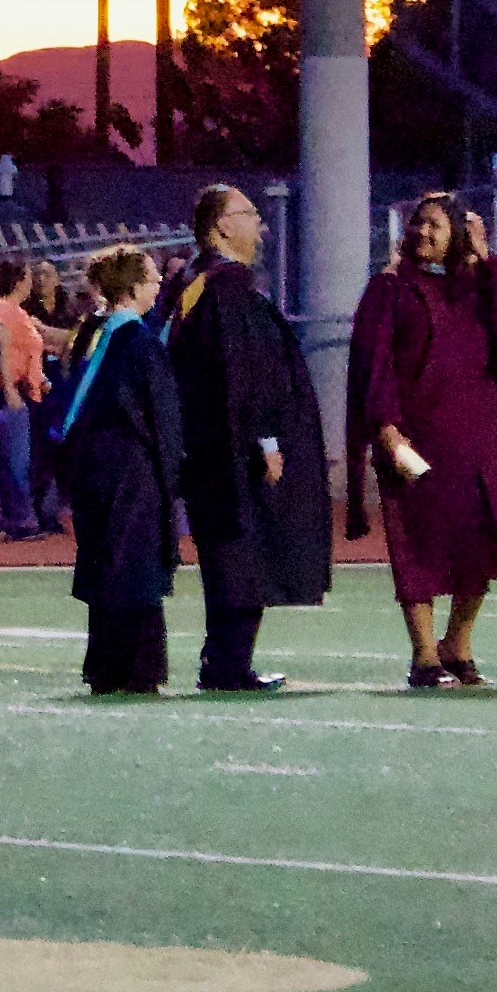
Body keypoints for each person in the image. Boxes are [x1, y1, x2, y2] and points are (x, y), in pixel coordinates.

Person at [349, 192, 497, 689]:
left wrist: (486, 253)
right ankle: (424, 654)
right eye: (418, 224)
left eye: (435, 225)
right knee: (417, 541)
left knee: (481, 538)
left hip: (481, 435)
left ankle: (458, 643)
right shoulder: (389, 289)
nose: (423, 233)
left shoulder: (474, 284)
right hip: (419, 434)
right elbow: (376, 362)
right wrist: (385, 428)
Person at [164, 186, 318, 693]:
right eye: (249, 215)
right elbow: (244, 371)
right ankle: (230, 662)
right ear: (222, 226)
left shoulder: (190, 282)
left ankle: (222, 658)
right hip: (233, 447)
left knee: (223, 550)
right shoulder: (225, 287)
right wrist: (267, 438)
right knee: (241, 549)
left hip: (204, 444)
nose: (260, 225)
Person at [41, 243, 188, 694]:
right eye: (150, 277)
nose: (158, 283)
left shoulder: (90, 336)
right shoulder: (140, 342)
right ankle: (139, 669)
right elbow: (161, 417)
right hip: (134, 469)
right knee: (139, 569)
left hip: (93, 470)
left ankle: (105, 667)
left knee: (105, 565)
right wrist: (174, 477)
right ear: (132, 286)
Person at [0, 256, 54, 538]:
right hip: (6, 394)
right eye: (28, 278)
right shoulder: (2, 310)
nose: (32, 284)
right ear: (18, 281)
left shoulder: (16, 312)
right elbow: (1, 351)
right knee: (15, 459)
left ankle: (9, 514)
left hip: (20, 391)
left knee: (9, 457)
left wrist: (38, 379)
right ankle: (19, 520)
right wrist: (9, 389)